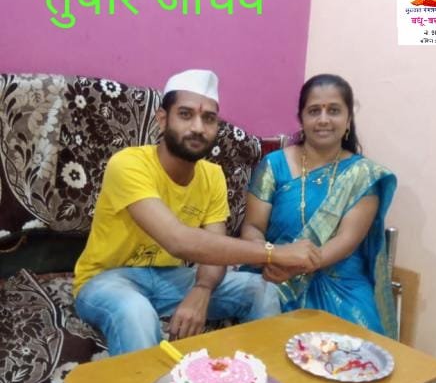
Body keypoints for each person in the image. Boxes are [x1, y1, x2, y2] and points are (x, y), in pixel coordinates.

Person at [74, 69, 321, 356]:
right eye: (185, 114)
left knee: (260, 289)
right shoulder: (128, 164)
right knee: (134, 309)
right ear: (162, 119)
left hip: (168, 278)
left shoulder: (212, 176)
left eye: (209, 118)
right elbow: (178, 240)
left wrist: (202, 289)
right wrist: (273, 253)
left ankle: (262, 375)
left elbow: (215, 248)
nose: (198, 127)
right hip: (107, 281)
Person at [240, 73, 401, 383]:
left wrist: (293, 264)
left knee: (364, 366)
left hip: (341, 283)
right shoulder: (274, 165)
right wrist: (270, 257)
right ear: (301, 117)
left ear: (348, 118)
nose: (323, 119)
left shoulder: (363, 175)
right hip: (273, 274)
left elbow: (346, 240)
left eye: (333, 110)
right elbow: (252, 227)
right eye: (314, 110)